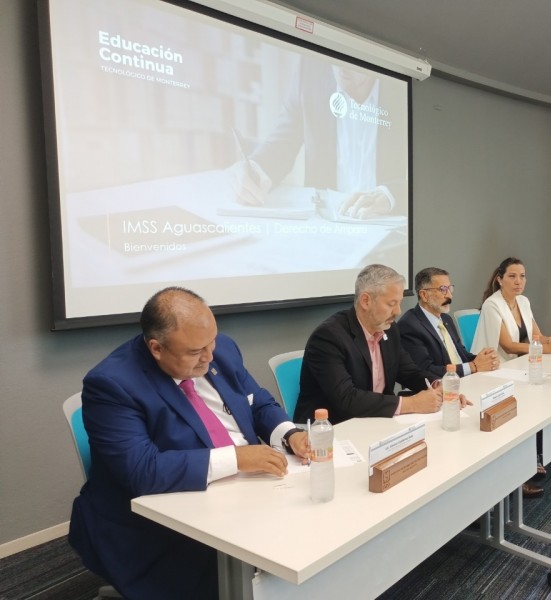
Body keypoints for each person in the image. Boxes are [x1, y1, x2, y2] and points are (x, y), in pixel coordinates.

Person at [68, 287, 308, 600]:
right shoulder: (112, 384)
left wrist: (289, 434)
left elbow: (257, 401)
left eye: (212, 343)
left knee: (312, 530)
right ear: (157, 348)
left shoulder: (221, 349)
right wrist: (237, 459)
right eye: (195, 352)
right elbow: (143, 471)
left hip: (246, 490)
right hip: (161, 521)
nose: (209, 357)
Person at [295, 264, 472, 425]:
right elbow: (347, 399)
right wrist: (412, 403)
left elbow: (409, 372)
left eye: (399, 303)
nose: (398, 311)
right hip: (334, 429)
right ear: (366, 301)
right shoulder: (329, 337)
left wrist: (440, 387)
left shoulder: (389, 329)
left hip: (378, 421)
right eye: (391, 304)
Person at [232, 59, 407, 220]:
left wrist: (391, 195)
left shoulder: (405, 81)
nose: (340, 65)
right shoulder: (311, 69)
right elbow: (283, 140)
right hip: (325, 225)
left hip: (390, 228)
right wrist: (256, 168)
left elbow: (422, 176)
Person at [471, 257, 551, 498]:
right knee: (530, 400)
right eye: (512, 276)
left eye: (522, 276)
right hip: (495, 370)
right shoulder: (492, 304)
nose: (518, 281)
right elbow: (507, 346)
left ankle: (540, 452)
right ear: (500, 279)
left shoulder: (523, 301)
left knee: (547, 390)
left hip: (517, 367)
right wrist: (546, 348)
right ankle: (520, 473)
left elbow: (537, 336)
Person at [397, 267, 499, 377]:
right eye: (443, 289)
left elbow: (461, 355)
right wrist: (473, 366)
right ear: (424, 295)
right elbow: (425, 370)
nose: (450, 295)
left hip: (465, 379)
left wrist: (484, 359)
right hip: (441, 385)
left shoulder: (446, 319)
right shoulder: (409, 325)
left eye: (450, 289)